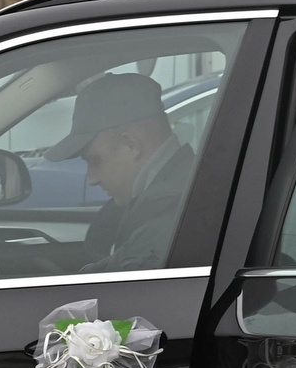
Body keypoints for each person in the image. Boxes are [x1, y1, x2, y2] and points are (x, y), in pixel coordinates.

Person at [46, 73, 196, 271]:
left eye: (94, 160)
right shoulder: (176, 193)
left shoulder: (168, 220)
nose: (92, 179)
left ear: (130, 144)